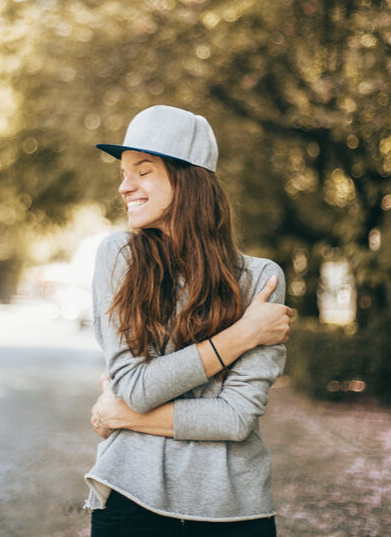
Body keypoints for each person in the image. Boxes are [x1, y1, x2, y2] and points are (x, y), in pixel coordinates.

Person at [85, 105, 292, 536]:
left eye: (143, 171)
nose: (125, 187)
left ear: (189, 179)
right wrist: (244, 334)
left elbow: (235, 419)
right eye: (123, 174)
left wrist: (122, 416)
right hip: (131, 501)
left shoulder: (262, 279)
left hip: (234, 512)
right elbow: (138, 388)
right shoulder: (119, 257)